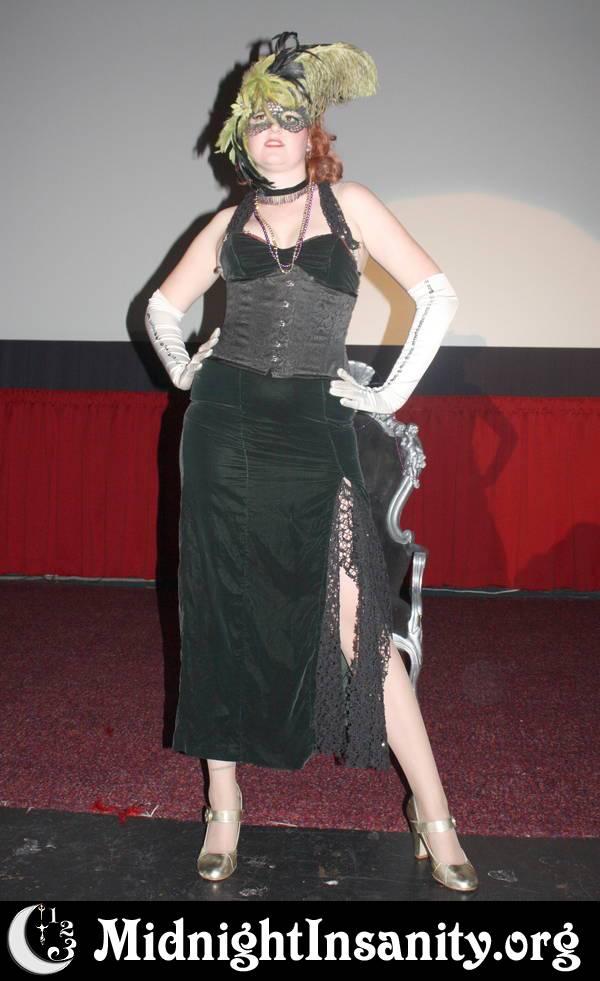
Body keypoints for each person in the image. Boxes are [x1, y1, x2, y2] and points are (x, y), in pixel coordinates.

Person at [145, 31, 478, 893]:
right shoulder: (226, 223)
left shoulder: (350, 204)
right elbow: (161, 309)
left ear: (312, 132)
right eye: (259, 120)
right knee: (217, 607)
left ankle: (433, 809)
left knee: (358, 619)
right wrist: (185, 367)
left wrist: (384, 392)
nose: (274, 132)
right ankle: (224, 801)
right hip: (222, 429)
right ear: (241, 136)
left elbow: (438, 294)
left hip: (312, 430)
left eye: (289, 119)